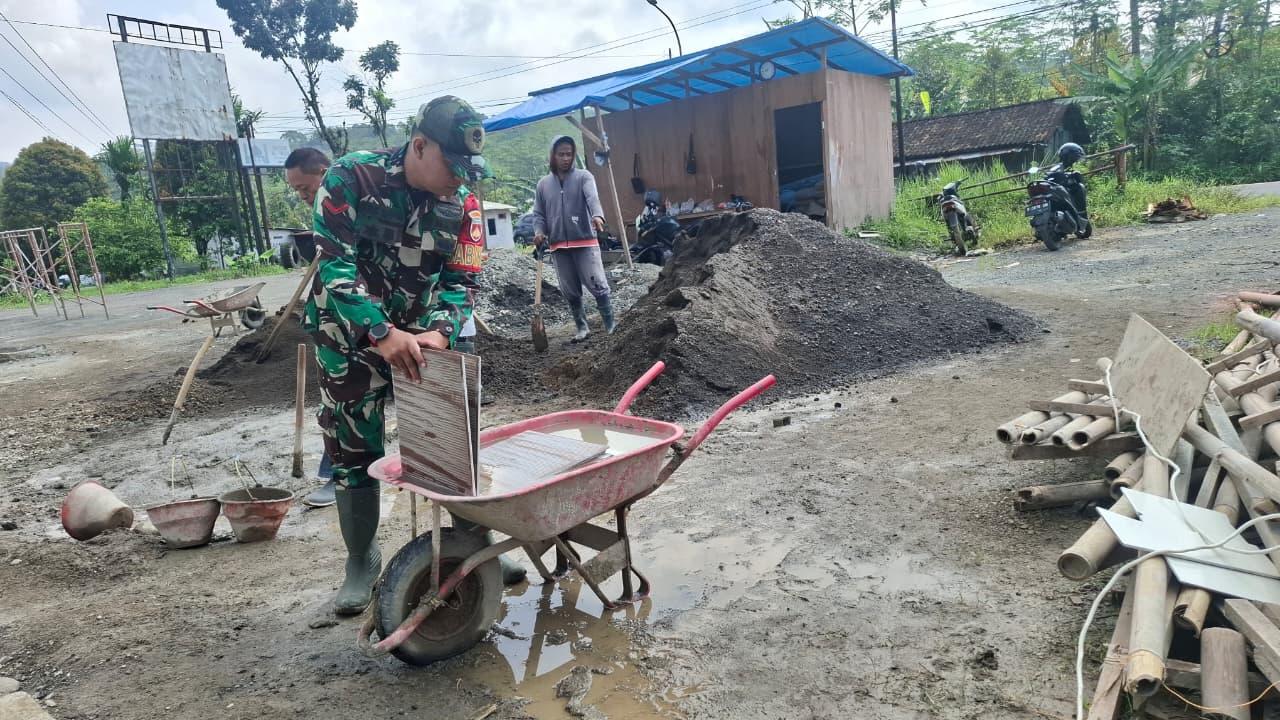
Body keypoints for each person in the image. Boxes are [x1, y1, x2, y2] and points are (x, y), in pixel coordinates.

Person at [308, 96, 525, 616]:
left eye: (467, 170)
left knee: (453, 443)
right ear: (420, 144)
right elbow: (334, 266)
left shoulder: (465, 203)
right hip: (349, 340)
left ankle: (473, 548)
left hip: (427, 339)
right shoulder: (349, 179)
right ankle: (361, 559)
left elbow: (461, 280)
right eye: (453, 166)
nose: (461, 179)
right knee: (354, 449)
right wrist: (380, 331)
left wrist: (442, 333)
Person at [284, 147, 342, 509]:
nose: (304, 196)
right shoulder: (325, 215)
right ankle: (336, 474)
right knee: (335, 405)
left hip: (358, 328)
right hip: (333, 327)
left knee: (343, 404)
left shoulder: (351, 211)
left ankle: (341, 478)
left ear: (323, 172)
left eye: (305, 187)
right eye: (298, 191)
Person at [532, 135, 616, 342]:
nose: (566, 158)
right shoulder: (543, 185)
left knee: (597, 282)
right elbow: (538, 214)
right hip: (558, 245)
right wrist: (539, 232)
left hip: (585, 241)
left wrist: (597, 215)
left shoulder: (584, 177)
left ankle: (611, 325)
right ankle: (582, 327)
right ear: (553, 156)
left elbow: (592, 198)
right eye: (561, 154)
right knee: (570, 289)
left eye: (569, 154)